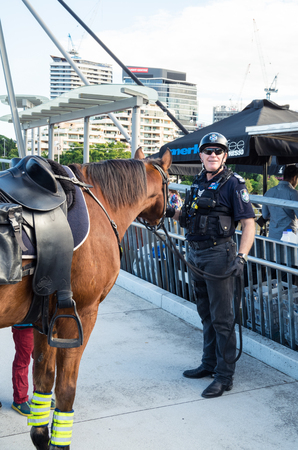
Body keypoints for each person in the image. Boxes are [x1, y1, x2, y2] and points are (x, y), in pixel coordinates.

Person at [166, 132, 255, 398]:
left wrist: (241, 257)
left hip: (219, 256)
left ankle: (224, 376)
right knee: (205, 313)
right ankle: (208, 363)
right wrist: (170, 211)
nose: (212, 155)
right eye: (208, 151)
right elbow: (189, 214)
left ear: (225, 156)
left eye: (218, 151)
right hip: (195, 255)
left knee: (222, 318)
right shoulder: (197, 183)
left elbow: (249, 223)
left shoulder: (234, 184)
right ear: (201, 155)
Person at [262, 165, 298, 239]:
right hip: (288, 237)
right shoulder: (294, 193)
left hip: (273, 235)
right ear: (294, 178)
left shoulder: (269, 192)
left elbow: (265, 215)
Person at [11, 324, 34, 416]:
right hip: (25, 323)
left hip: (41, 323)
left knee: (41, 359)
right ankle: (20, 400)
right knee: (22, 361)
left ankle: (39, 395)